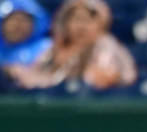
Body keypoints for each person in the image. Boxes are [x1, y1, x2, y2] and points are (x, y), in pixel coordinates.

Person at [8, 0, 136, 90]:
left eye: (88, 20)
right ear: (66, 23)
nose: (81, 26)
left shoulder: (107, 46)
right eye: (76, 19)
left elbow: (104, 78)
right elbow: (33, 78)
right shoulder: (52, 49)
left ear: (100, 24)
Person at [0, 0, 52, 69]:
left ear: (35, 25)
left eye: (24, 21)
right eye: (13, 20)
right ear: (1, 23)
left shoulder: (45, 49)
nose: (18, 27)